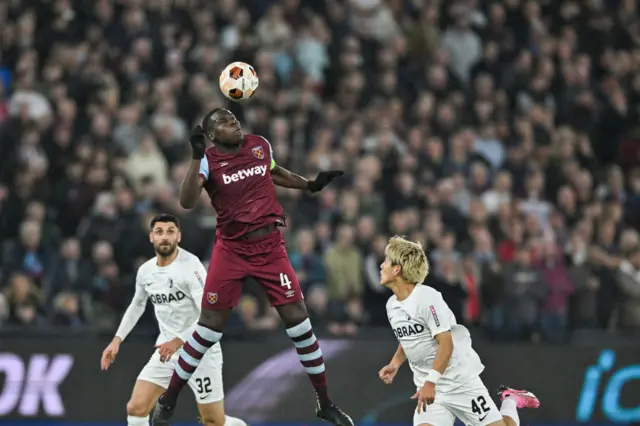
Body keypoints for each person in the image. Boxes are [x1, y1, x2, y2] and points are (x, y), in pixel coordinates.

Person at [151, 108, 352, 426]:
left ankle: (325, 403)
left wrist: (309, 185)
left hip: (270, 247)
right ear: (213, 135)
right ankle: (167, 401)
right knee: (207, 330)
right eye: (225, 122)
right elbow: (187, 201)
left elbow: (274, 172)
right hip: (231, 250)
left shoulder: (259, 144)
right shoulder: (208, 159)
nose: (235, 122)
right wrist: (194, 156)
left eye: (234, 117)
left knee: (301, 326)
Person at [100, 214, 247, 426]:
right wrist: (117, 340)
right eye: (159, 232)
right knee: (136, 407)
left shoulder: (191, 266)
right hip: (167, 352)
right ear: (151, 237)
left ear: (179, 236)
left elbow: (208, 315)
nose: (165, 237)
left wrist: (178, 341)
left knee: (213, 421)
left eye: (170, 232)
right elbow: (137, 305)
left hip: (200, 352)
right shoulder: (146, 271)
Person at [377, 236, 540, 426]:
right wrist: (395, 364)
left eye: (386, 260)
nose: (381, 265)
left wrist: (430, 382)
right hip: (431, 390)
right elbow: (411, 338)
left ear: (397, 269)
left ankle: (510, 399)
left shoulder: (427, 298)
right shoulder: (392, 305)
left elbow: (446, 343)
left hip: (459, 382)